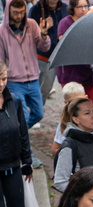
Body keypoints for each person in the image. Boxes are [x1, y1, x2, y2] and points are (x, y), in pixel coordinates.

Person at [0, 0, 50, 129]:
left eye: (22, 12)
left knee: (38, 114)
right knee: (23, 117)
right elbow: (1, 61)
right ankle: (24, 145)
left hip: (33, 79)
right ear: (8, 12)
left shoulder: (32, 25)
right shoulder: (2, 31)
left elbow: (44, 48)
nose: (19, 16)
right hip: (14, 82)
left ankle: (17, 135)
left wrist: (44, 35)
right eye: (15, 13)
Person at [0, 61, 32, 207]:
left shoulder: (14, 101)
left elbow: (22, 133)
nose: (1, 84)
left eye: (3, 79)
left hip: (12, 166)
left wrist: (27, 162)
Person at [56, 0, 93, 114]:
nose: (83, 9)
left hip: (88, 70)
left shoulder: (91, 21)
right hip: (70, 72)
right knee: (75, 106)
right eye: (80, 7)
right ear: (73, 8)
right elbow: (64, 44)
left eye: (85, 6)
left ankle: (88, 125)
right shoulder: (65, 23)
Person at [28, 0, 65, 103]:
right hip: (42, 57)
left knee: (46, 89)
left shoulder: (65, 8)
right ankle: (35, 115)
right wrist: (43, 30)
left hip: (60, 56)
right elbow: (29, 35)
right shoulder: (36, 10)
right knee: (40, 89)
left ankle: (37, 113)